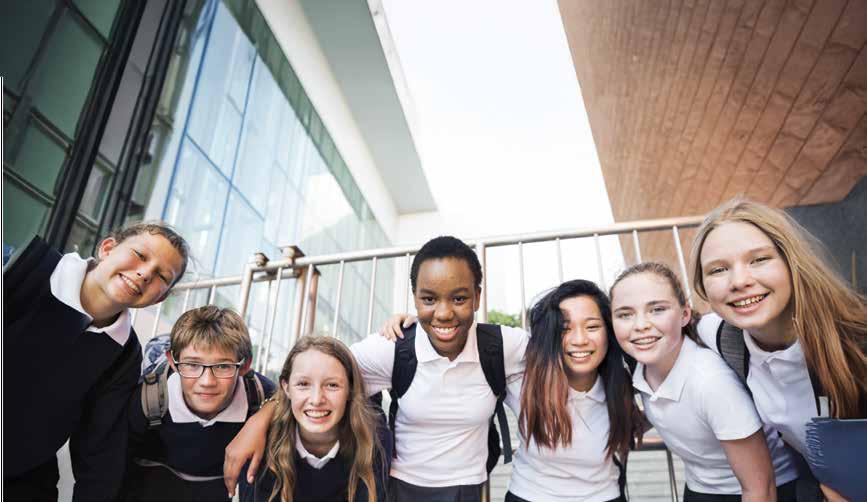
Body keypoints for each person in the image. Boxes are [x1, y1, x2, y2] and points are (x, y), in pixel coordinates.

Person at [224, 236, 529, 501]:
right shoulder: (392, 348)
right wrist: (258, 421)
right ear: (415, 299)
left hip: (469, 487)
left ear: (477, 297)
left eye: (459, 298)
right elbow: (318, 376)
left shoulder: (503, 345)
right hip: (400, 488)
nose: (444, 313)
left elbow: (556, 353)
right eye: (429, 299)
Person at [690, 198, 867, 500]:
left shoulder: (856, 340)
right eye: (718, 269)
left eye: (759, 259)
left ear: (791, 261)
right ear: (703, 286)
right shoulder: (721, 336)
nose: (739, 281)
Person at [3, 222, 189, 501]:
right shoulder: (18, 270)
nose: (145, 273)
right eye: (140, 254)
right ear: (107, 248)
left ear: (160, 298)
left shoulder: (124, 355)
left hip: (20, 475)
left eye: (162, 275)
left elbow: (100, 448)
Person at [610, 262, 797, 501]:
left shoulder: (711, 382)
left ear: (684, 315)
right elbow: (675, 409)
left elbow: (761, 487)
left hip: (754, 491)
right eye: (625, 315)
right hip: (700, 486)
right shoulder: (641, 365)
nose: (640, 325)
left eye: (657, 309)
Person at [505, 279, 641, 501]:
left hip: (604, 496)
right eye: (564, 329)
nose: (580, 340)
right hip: (530, 496)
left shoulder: (623, 382)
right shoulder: (523, 378)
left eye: (592, 327)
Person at [122, 306, 276, 501]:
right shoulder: (146, 399)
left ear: (244, 366)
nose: (207, 382)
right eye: (193, 365)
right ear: (172, 362)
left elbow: (289, 396)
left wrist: (261, 419)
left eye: (223, 366)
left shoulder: (258, 394)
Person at [239, 336, 390, 502]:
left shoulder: (374, 442)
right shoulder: (261, 447)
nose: (317, 399)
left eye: (332, 385)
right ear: (286, 388)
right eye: (303, 384)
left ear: (350, 389)